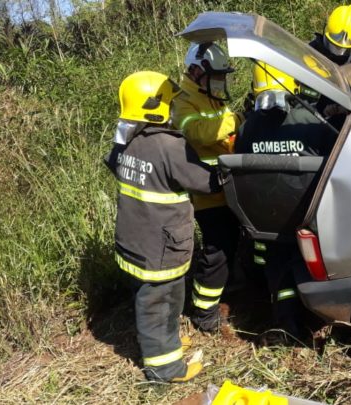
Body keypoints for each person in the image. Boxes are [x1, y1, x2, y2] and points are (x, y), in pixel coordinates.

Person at [104, 71, 218, 382]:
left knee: (151, 299)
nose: (171, 106)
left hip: (135, 242)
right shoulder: (169, 146)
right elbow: (205, 182)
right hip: (162, 248)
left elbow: (113, 164)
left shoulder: (126, 141)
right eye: (168, 101)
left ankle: (165, 345)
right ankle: (165, 368)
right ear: (155, 106)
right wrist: (226, 171)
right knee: (161, 304)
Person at [234, 62, 337, 337]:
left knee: (277, 268)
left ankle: (287, 324)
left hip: (268, 216)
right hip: (309, 211)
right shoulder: (312, 120)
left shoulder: (247, 129)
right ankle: (317, 317)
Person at [171, 42, 243, 332]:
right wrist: (236, 120)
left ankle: (228, 291)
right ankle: (204, 312)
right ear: (198, 70)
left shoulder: (211, 96)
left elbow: (222, 134)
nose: (221, 81)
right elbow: (199, 133)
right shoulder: (183, 99)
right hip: (206, 191)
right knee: (217, 250)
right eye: (217, 74)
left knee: (231, 243)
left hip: (227, 186)